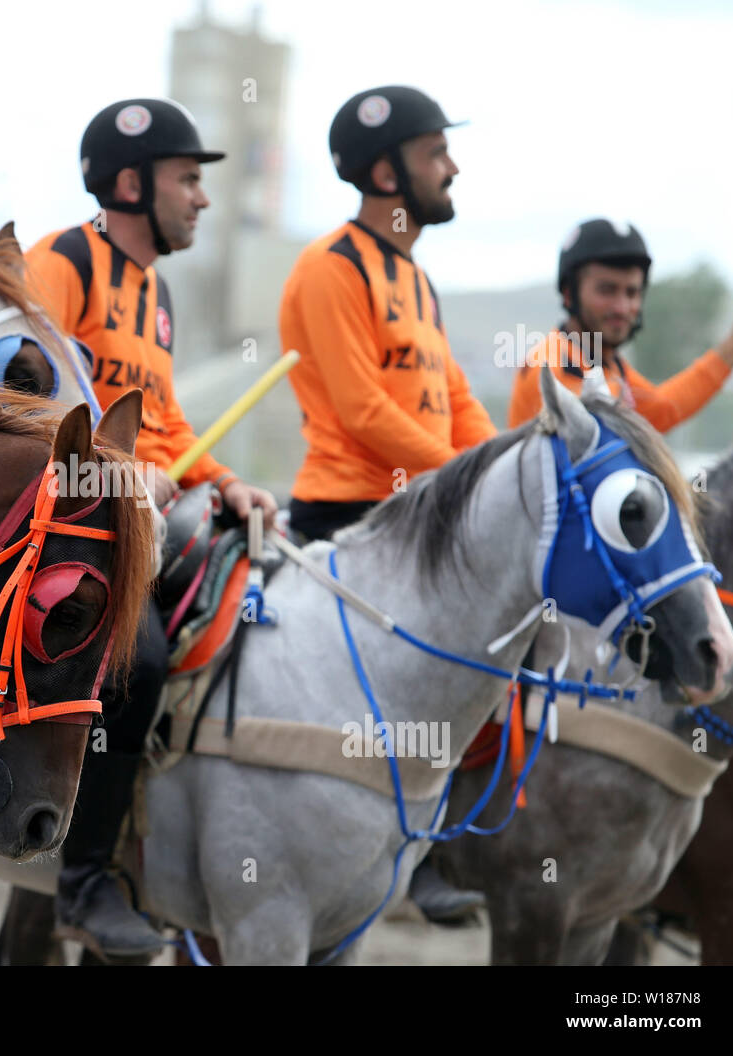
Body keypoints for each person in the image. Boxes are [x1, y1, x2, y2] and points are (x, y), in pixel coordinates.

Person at [25, 97, 278, 959]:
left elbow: (165, 422)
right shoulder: (60, 261)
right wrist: (122, 476)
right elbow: (31, 406)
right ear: (131, 184)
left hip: (137, 518)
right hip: (59, 526)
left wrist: (228, 482)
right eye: (189, 180)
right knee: (139, 660)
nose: (203, 198)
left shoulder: (156, 291)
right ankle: (84, 883)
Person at [278, 85, 490, 922]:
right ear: (385, 170)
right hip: (349, 515)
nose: (452, 166)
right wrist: (464, 481)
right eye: (436, 153)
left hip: (424, 511)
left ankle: (435, 844)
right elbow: (365, 411)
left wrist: (511, 461)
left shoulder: (417, 277)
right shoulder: (330, 268)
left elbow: (458, 399)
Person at [507, 219, 733, 430]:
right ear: (570, 294)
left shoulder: (604, 363)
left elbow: (661, 410)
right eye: (607, 290)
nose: (622, 307)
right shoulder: (555, 368)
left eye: (632, 292)